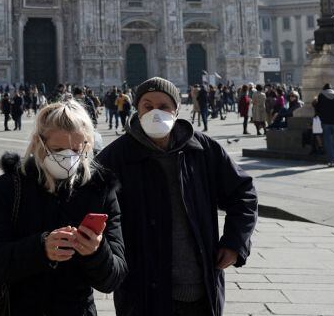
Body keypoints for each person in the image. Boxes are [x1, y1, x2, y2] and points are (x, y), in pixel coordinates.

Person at [96, 77, 257, 315]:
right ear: (137, 109)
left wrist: (236, 242)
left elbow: (243, 192)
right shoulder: (115, 157)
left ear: (176, 110)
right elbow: (93, 210)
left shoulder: (203, 149)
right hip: (143, 293)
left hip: (201, 290)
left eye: (164, 106)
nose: (155, 113)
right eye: (148, 106)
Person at [0, 99, 127, 315]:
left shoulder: (99, 190)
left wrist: (97, 252)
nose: (68, 157)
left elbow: (113, 279)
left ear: (87, 145)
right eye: (58, 149)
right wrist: (40, 249)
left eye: (75, 149)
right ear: (39, 144)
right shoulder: (10, 187)